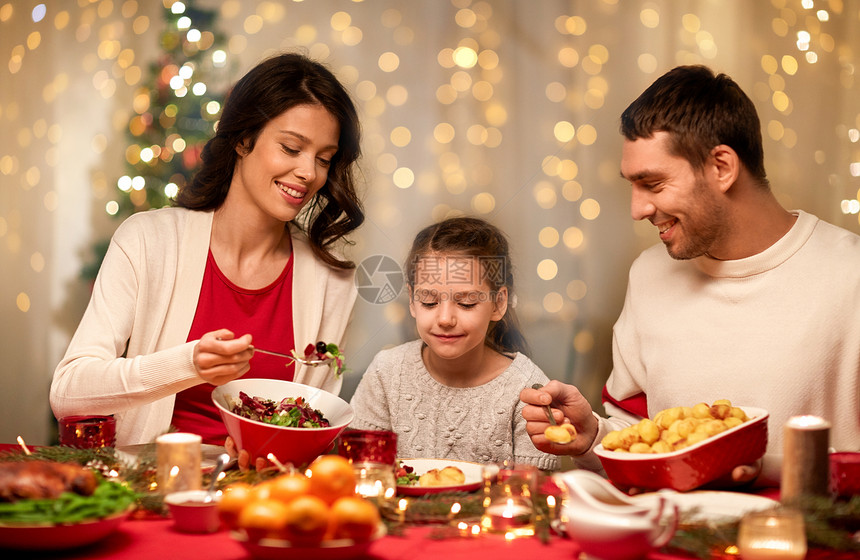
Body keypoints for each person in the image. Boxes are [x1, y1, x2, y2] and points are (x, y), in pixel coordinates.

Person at [520, 65, 860, 486]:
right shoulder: (648, 274)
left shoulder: (851, 276)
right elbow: (640, 437)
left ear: (721, 167)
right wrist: (591, 435)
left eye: (653, 184)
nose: (637, 209)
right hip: (672, 545)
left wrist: (763, 466)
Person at [51, 53, 365, 468]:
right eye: (291, 147)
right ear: (242, 138)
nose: (308, 172)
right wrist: (187, 364)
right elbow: (68, 393)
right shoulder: (149, 240)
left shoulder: (332, 280)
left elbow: (314, 427)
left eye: (324, 159)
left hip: (262, 503)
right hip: (152, 492)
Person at [350, 217, 558, 470]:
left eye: (466, 303)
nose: (445, 319)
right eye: (429, 301)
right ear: (413, 302)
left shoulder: (527, 388)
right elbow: (362, 473)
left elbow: (530, 491)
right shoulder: (387, 372)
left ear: (498, 303)